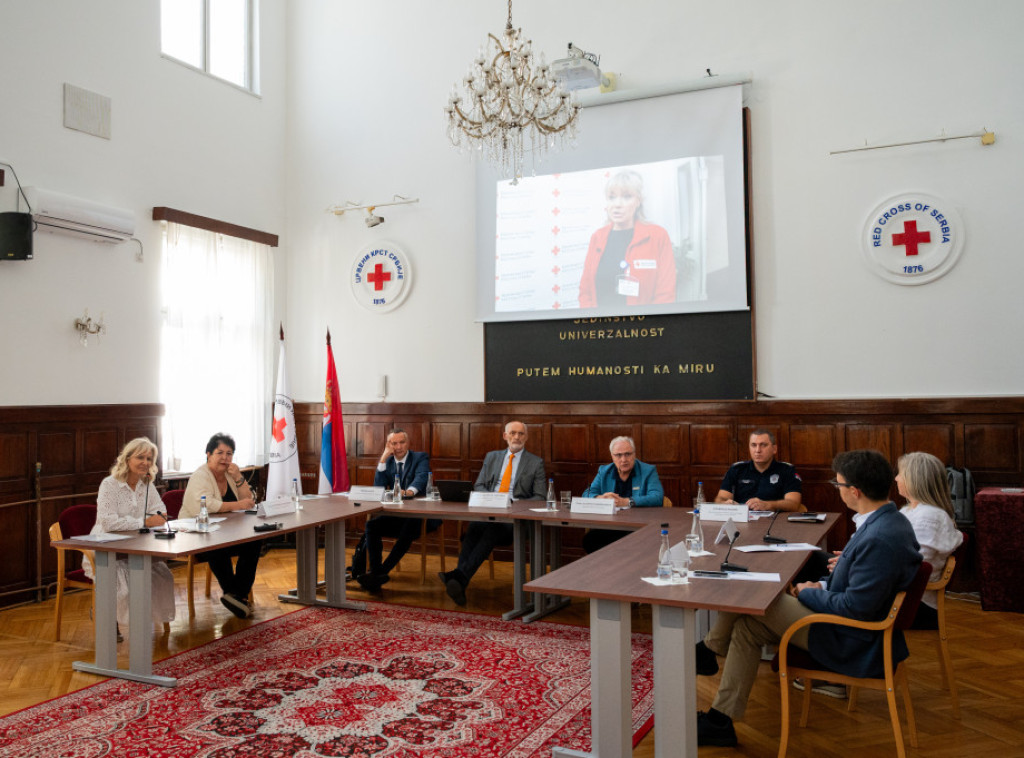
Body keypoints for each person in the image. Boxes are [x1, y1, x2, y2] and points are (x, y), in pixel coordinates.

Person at [693, 450, 922, 748]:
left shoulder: (880, 537)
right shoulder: (886, 521)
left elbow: (857, 608)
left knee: (755, 593)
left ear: (855, 491)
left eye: (837, 485)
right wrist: (826, 583)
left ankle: (710, 648)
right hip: (842, 622)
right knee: (747, 629)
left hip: (850, 639)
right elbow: (860, 587)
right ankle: (720, 720)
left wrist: (812, 592)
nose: (837, 490)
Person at [438, 421, 545, 606]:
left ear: (526, 437)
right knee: (474, 527)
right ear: (505, 436)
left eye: (521, 434)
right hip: (489, 511)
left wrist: (512, 503)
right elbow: (479, 486)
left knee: (491, 531)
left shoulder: (535, 463)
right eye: (513, 433)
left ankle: (458, 577)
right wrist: (495, 499)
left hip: (515, 520)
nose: (517, 437)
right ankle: (460, 580)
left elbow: (540, 497)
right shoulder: (492, 457)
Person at [84, 437, 176, 632]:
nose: (146, 462)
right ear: (127, 459)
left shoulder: (147, 484)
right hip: (105, 546)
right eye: (140, 457)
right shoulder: (110, 485)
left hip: (137, 544)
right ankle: (109, 617)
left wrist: (154, 519)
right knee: (124, 583)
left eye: (150, 458)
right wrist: (144, 522)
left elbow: (160, 512)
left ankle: (144, 622)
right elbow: (108, 522)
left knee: (162, 575)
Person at [181, 433, 262, 619]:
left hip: (226, 533)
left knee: (255, 541)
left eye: (229, 453)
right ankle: (235, 594)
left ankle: (236, 595)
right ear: (208, 454)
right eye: (220, 453)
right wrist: (236, 506)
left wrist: (239, 477)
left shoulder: (229, 474)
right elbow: (205, 504)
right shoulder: (200, 475)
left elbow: (248, 500)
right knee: (216, 545)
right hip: (195, 534)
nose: (225, 458)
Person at [350, 429, 439, 592]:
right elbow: (379, 488)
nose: (398, 447)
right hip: (398, 514)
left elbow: (421, 478)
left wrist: (409, 492)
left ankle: (380, 572)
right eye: (394, 443)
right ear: (388, 445)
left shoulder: (420, 457)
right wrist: (383, 458)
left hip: (422, 516)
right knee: (372, 526)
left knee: (409, 528)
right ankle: (375, 571)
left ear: (408, 443)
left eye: (402, 442)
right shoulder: (388, 462)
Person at [578, 170, 677, 308]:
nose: (617, 204)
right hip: (600, 326)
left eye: (626, 196)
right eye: (612, 197)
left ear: (638, 201)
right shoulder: (597, 237)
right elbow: (585, 291)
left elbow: (665, 295)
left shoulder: (658, 236)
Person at [895, 452, 963, 628]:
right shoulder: (910, 510)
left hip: (913, 602)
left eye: (900, 474)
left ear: (915, 479)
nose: (895, 478)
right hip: (902, 593)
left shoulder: (929, 517)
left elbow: (912, 566)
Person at [580, 436, 664, 553]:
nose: (624, 459)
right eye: (618, 455)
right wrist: (601, 498)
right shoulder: (604, 471)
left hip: (639, 526)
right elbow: (586, 494)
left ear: (634, 454)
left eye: (628, 454)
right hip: (610, 525)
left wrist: (627, 501)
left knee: (631, 545)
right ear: (612, 456)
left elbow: (657, 497)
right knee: (589, 541)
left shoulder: (648, 471)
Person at [715, 430, 803, 511]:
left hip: (774, 522)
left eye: (763, 445)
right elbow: (720, 499)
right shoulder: (737, 469)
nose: (757, 450)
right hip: (741, 521)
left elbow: (793, 504)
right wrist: (725, 504)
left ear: (774, 449)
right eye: (753, 445)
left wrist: (769, 505)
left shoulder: (787, 470)